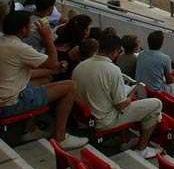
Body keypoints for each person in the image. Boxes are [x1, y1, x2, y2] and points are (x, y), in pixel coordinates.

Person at [0, 11, 88, 150]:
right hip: (11, 104)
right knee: (70, 86)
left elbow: (23, 74)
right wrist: (47, 38)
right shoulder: (19, 48)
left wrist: (52, 71)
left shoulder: (4, 43)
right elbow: (53, 62)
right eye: (30, 25)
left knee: (46, 78)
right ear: (23, 29)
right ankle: (61, 138)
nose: (32, 28)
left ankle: (30, 129)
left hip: (6, 96)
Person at [73, 33, 163, 158]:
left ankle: (126, 140)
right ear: (116, 51)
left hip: (87, 118)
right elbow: (121, 105)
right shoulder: (112, 70)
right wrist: (131, 95)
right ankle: (142, 149)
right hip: (103, 121)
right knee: (156, 104)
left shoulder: (80, 66)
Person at [136, 30, 174, 95]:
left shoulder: (141, 54)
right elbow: (169, 80)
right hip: (155, 92)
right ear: (161, 44)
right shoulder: (165, 58)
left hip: (139, 89)